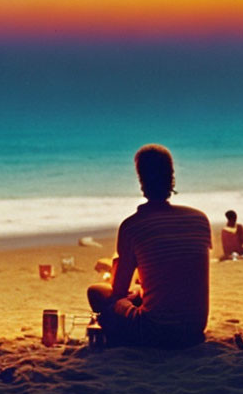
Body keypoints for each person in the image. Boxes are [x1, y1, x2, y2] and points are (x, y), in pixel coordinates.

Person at [86, 144, 212, 348]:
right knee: (139, 291)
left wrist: (117, 262)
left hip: (155, 331)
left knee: (97, 292)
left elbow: (118, 290)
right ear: (171, 178)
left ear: (141, 180)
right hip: (194, 330)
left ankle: (121, 338)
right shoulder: (199, 219)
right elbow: (179, 274)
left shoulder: (133, 226)